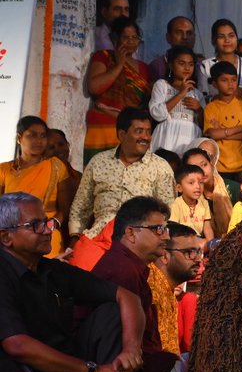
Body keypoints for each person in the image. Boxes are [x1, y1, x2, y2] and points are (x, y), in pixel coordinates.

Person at [0, 192, 145, 372]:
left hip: (67, 368)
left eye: (49, 222)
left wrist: (131, 350)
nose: (49, 230)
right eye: (36, 225)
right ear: (6, 238)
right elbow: (17, 345)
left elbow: (127, 297)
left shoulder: (51, 270)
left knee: (111, 312)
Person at [90, 196, 179, 372]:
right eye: (158, 229)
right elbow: (119, 342)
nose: (166, 236)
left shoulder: (136, 268)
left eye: (166, 229)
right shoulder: (122, 269)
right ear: (130, 233)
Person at [69, 107, 175, 240]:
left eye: (148, 132)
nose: (145, 137)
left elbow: (168, 214)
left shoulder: (161, 167)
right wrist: (74, 239)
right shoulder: (98, 162)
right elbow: (80, 207)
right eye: (139, 131)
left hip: (139, 241)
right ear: (121, 135)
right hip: (98, 238)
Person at [0, 116, 73, 256]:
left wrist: (51, 225)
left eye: (42, 135)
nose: (38, 141)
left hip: (47, 232)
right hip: (15, 235)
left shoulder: (56, 166)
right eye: (32, 135)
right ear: (19, 138)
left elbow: (66, 209)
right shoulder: (4, 170)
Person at [85, 17, 151, 163]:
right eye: (126, 37)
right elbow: (94, 87)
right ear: (115, 38)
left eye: (134, 38)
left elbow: (147, 103)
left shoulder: (145, 68)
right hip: (103, 124)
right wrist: (119, 65)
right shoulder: (103, 56)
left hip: (130, 128)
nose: (131, 42)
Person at [202, 60, 242, 197]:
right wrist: (239, 128)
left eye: (233, 80)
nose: (230, 84)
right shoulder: (211, 108)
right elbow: (212, 134)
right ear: (215, 84)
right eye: (225, 80)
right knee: (223, 200)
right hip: (220, 166)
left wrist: (224, 133)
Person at [153, 221, 204, 355]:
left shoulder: (167, 290)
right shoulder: (150, 290)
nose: (199, 259)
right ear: (165, 256)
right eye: (190, 252)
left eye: (199, 252)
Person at [148, 45, 204, 155]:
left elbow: (204, 126)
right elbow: (157, 114)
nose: (187, 68)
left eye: (191, 64)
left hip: (190, 137)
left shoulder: (197, 94)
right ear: (171, 65)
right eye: (181, 63)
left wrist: (199, 109)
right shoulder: (162, 85)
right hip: (167, 135)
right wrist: (181, 94)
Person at [198, 19, 242, 103]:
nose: (227, 40)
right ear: (213, 41)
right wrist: (230, 94)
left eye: (231, 36)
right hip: (217, 114)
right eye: (221, 37)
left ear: (237, 38)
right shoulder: (206, 66)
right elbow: (202, 98)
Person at [182, 140, 233, 235]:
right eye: (195, 168)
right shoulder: (185, 200)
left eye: (204, 165)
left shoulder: (232, 188)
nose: (202, 171)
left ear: (212, 164)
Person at [147, 16, 198, 84]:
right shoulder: (156, 66)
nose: (185, 37)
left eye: (189, 33)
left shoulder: (202, 65)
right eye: (179, 32)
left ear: (194, 37)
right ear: (168, 37)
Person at [169, 164, 214, 240]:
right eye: (191, 183)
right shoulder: (175, 205)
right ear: (179, 188)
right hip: (182, 240)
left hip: (199, 240)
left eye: (201, 182)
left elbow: (207, 229)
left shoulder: (204, 203)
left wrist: (211, 245)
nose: (198, 186)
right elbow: (173, 231)